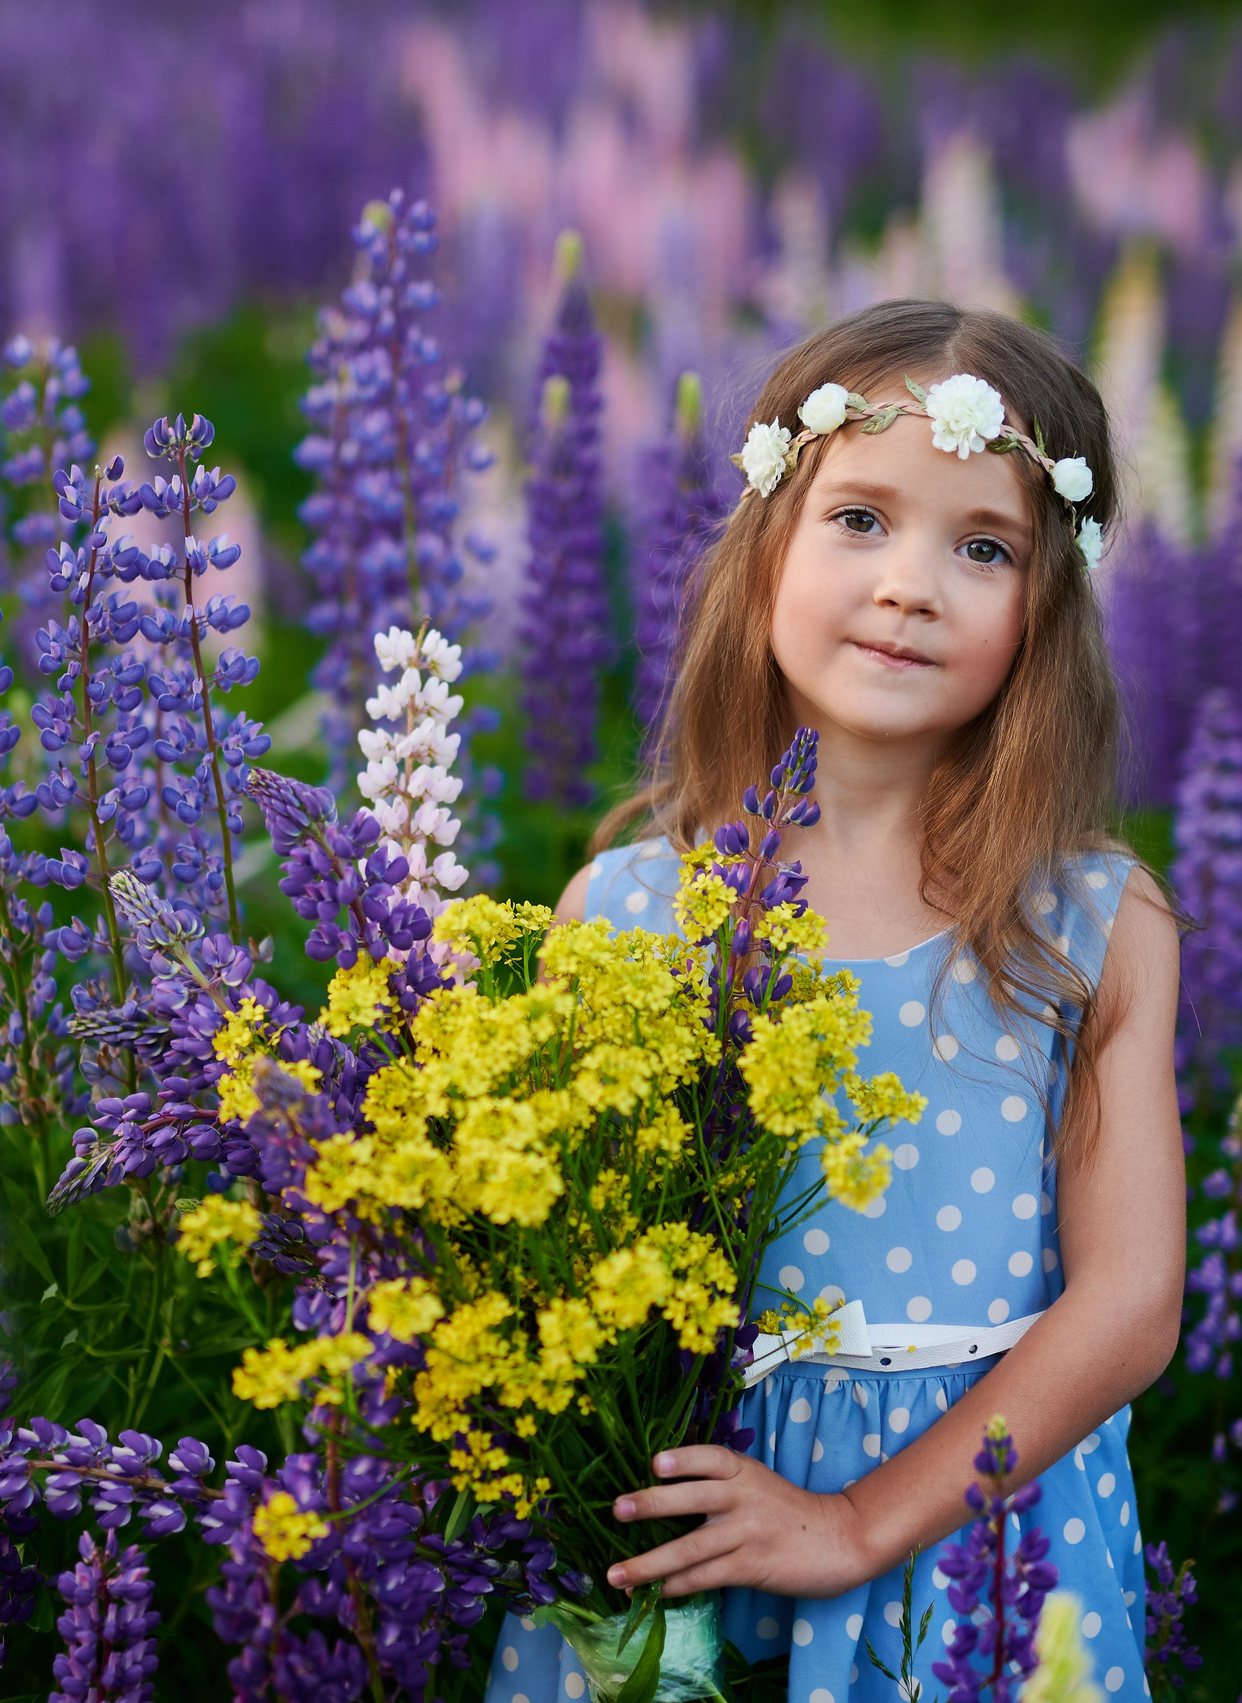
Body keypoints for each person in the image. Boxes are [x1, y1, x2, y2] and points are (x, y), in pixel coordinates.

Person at [483, 300, 1186, 1703]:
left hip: (981, 1543)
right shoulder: (625, 909)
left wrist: (862, 1521)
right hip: (691, 1509)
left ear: (1046, 617)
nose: (910, 584)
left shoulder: (1086, 922)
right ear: (764, 558)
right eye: (861, 519)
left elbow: (1128, 1304)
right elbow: (543, 1269)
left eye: (982, 548)